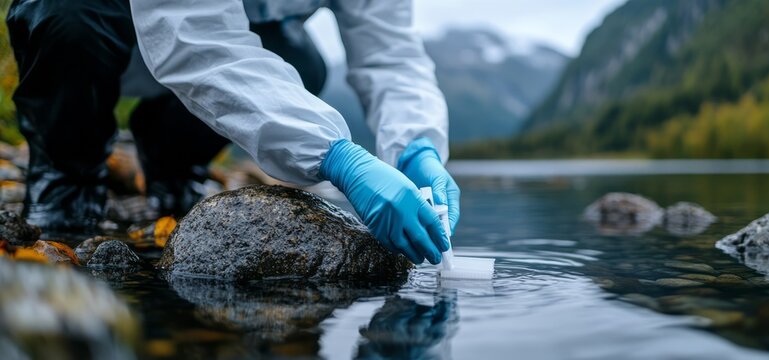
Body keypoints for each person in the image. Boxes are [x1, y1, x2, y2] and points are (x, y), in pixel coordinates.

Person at [6, 0, 459, 265]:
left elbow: (390, 56)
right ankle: (66, 180)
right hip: (97, 33)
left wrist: (417, 145)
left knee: (302, 59)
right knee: (63, 13)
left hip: (214, 42)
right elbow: (194, 40)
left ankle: (173, 164)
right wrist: (337, 156)